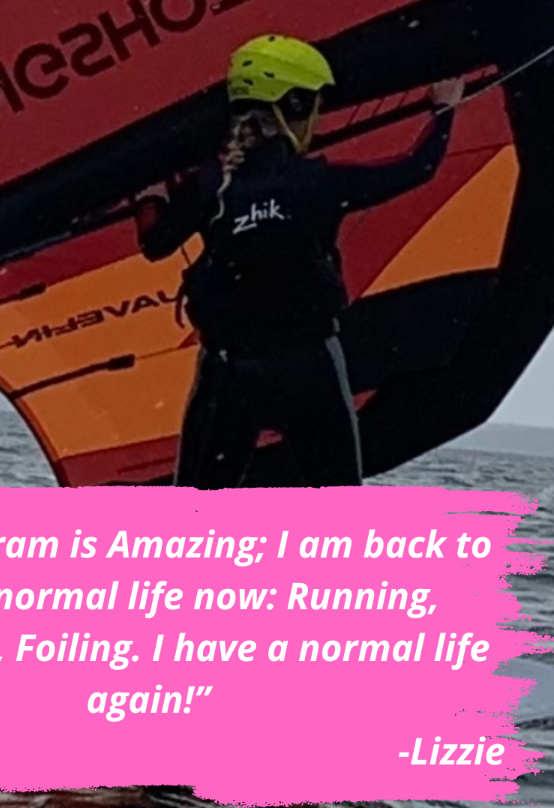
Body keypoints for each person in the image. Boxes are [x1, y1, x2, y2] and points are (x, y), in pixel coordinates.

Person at [135, 34, 464, 490]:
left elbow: (155, 243)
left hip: (229, 373)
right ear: (294, 105)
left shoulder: (210, 184)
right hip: (308, 368)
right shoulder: (319, 182)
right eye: (315, 106)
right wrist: (445, 109)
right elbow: (417, 167)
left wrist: (149, 194)